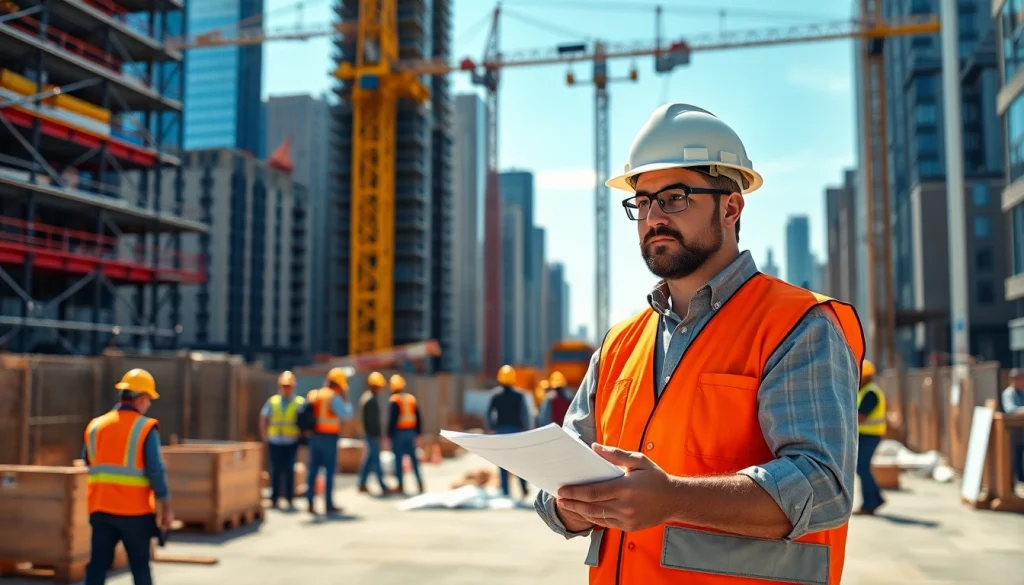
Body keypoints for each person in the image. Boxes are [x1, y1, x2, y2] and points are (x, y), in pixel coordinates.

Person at [533, 103, 864, 585]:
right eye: (642, 203)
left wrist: (673, 497)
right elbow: (556, 484)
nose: (653, 218)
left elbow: (824, 486)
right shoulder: (620, 344)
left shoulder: (797, 324)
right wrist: (572, 508)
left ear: (731, 207)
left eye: (675, 197)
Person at [82, 368, 172, 585]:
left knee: (97, 566)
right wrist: (166, 505)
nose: (149, 404)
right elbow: (155, 470)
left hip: (101, 508)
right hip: (134, 512)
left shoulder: (96, 426)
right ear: (140, 398)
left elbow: (88, 460)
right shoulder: (145, 427)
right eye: (149, 399)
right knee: (140, 567)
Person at [305, 367, 353, 515]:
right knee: (329, 471)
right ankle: (328, 504)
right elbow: (346, 414)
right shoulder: (335, 398)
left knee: (313, 470)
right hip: (329, 438)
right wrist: (346, 399)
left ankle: (310, 501)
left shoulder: (315, 395)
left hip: (315, 437)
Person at [259, 370, 305, 510]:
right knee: (276, 470)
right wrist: (264, 435)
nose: (286, 389)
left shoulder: (299, 402)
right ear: (280, 386)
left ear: (293, 387)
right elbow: (263, 418)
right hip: (275, 441)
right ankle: (275, 498)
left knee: (289, 470)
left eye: (288, 386)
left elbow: (305, 420)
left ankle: (290, 498)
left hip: (291, 441)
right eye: (284, 386)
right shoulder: (273, 401)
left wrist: (301, 436)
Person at [487, 364, 534, 499]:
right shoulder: (519, 395)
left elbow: (489, 413)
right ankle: (523, 488)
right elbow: (525, 413)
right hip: (516, 431)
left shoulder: (495, 395)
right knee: (518, 463)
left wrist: (490, 426)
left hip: (500, 431)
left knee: (503, 463)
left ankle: (505, 492)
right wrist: (526, 429)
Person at [855, 359, 887, 515]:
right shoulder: (865, 391)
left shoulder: (870, 393)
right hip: (867, 435)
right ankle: (876, 498)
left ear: (865, 377)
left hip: (869, 436)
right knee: (863, 468)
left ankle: (870, 504)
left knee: (862, 468)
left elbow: (861, 417)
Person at [387, 374, 425, 495]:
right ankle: (420, 484)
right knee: (414, 460)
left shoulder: (395, 400)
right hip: (411, 432)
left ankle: (400, 485)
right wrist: (418, 433)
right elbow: (419, 417)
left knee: (398, 460)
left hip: (399, 433)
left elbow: (392, 420)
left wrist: (389, 435)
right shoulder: (411, 399)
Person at [357, 371, 390, 495]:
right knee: (376, 460)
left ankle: (362, 483)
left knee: (370, 459)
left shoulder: (368, 398)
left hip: (369, 434)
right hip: (372, 434)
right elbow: (372, 421)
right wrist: (378, 435)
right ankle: (382, 485)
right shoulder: (370, 400)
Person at [1001, 368, 1024, 483]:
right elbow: (1010, 409)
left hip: (1022, 429)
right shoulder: (1008, 393)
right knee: (1015, 456)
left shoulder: (1022, 392)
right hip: (1013, 430)